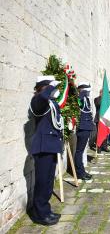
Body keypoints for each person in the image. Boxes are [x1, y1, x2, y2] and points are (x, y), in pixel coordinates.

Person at [29, 76, 63, 225]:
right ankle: (39, 214)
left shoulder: (50, 102)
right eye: (50, 87)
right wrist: (50, 87)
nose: (54, 89)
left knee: (48, 182)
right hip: (43, 146)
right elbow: (41, 100)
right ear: (43, 87)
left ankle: (45, 210)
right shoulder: (37, 100)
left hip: (51, 145)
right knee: (42, 182)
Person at [74, 82, 93, 180]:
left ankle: (82, 171)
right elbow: (79, 103)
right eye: (87, 90)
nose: (89, 92)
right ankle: (80, 173)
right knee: (79, 151)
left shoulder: (86, 99)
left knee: (81, 151)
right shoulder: (80, 98)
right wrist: (82, 93)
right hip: (83, 127)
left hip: (87, 127)